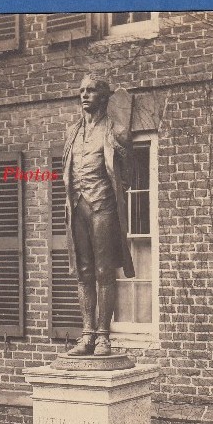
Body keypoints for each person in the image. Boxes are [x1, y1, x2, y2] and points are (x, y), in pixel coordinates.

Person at [62, 74, 135, 356]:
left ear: (104, 97)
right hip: (77, 207)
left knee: (105, 270)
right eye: (81, 90)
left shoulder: (117, 132)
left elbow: (127, 177)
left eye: (91, 91)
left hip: (103, 206)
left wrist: (108, 194)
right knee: (83, 272)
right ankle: (87, 334)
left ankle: (104, 336)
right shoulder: (71, 133)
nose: (84, 95)